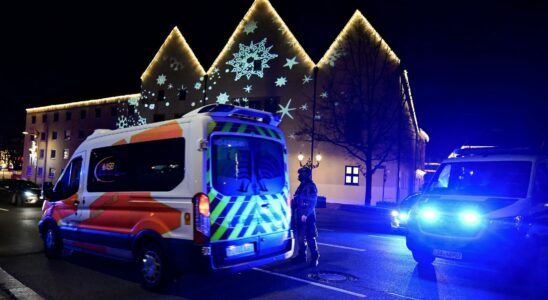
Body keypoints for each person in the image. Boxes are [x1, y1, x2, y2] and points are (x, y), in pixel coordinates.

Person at [292, 166, 320, 267]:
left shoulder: (310, 186)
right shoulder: (302, 186)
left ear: (306, 175)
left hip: (307, 217)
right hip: (299, 215)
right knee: (300, 238)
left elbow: (312, 202)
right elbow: (297, 199)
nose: (299, 176)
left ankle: (314, 258)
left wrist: (305, 214)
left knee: (310, 237)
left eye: (301, 174)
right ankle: (301, 256)